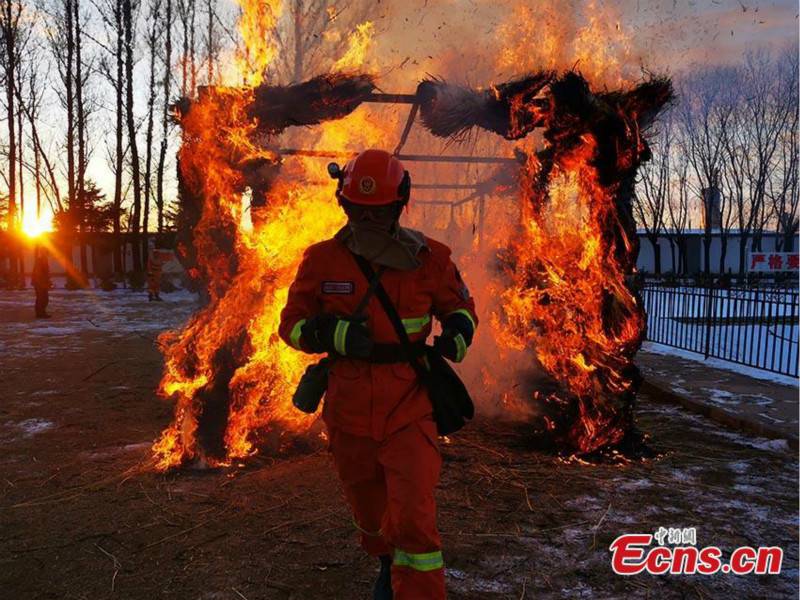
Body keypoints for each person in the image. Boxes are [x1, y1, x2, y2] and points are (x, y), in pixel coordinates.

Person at [279, 149, 478, 599]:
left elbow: (460, 307)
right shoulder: (321, 261)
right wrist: (328, 333)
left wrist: (458, 334)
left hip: (409, 405)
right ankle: (386, 560)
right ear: (344, 205)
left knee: (413, 517)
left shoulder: (429, 258)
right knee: (368, 510)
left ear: (398, 206)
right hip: (347, 410)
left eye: (380, 210)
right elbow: (289, 325)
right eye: (359, 210)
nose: (369, 219)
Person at [32, 245, 51, 319]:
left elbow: (46, 273)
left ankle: (41, 313)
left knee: (44, 298)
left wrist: (48, 281)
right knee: (42, 298)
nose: (46, 254)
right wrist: (41, 282)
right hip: (39, 283)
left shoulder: (44, 260)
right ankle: (40, 313)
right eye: (45, 252)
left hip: (42, 282)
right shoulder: (40, 260)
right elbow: (38, 273)